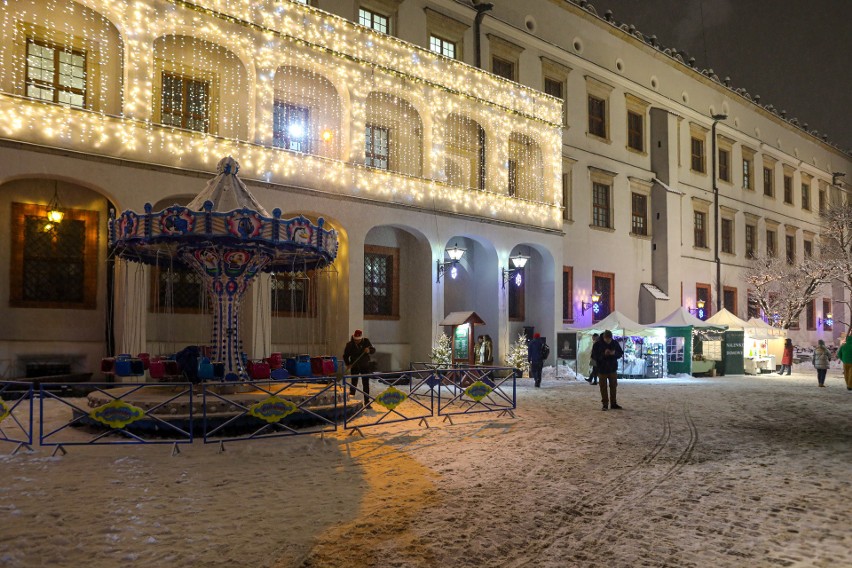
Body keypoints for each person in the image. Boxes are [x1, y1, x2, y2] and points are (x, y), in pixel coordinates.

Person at [591, 329, 623, 411]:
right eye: (607, 339)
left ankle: (613, 403)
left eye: (610, 339)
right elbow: (594, 356)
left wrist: (614, 353)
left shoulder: (615, 343)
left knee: (613, 386)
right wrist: (603, 354)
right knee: (603, 387)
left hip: (612, 368)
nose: (608, 341)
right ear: (604, 337)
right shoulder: (597, 344)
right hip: (602, 369)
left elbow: (620, 353)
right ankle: (605, 404)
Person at [343, 329, 376, 404]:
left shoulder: (366, 341)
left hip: (364, 366)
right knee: (353, 384)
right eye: (355, 340)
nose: (356, 341)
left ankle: (367, 401)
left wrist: (369, 350)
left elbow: (373, 350)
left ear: (361, 338)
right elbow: (345, 356)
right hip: (354, 366)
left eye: (358, 340)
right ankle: (350, 402)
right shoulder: (349, 344)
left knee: (366, 384)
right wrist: (348, 364)